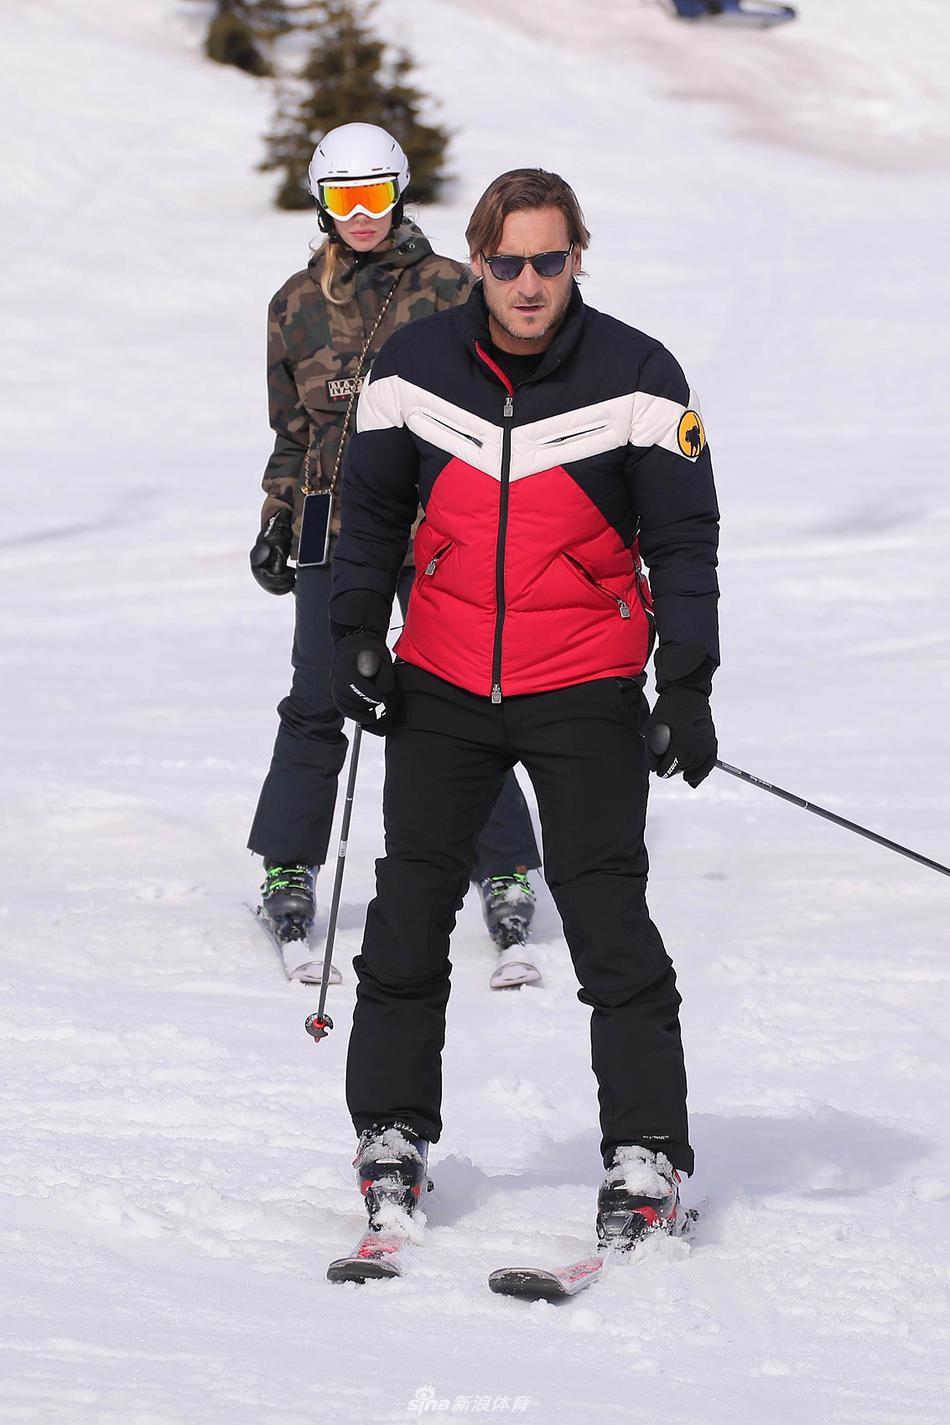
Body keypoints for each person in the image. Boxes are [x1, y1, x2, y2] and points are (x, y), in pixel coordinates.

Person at [328, 168, 720, 1249]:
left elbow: (683, 540)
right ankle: (390, 1138)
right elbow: (370, 509)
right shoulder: (412, 367)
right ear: (478, 262)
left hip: (583, 685)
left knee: (608, 923)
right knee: (408, 919)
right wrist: (356, 631)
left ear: (577, 256)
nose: (529, 283)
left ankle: (645, 1154)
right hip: (442, 683)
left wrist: (686, 684)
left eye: (550, 260)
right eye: (508, 263)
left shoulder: (638, 375)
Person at [247, 124, 541, 974]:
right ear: (322, 203)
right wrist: (276, 516)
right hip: (334, 527)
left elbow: (502, 403)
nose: (362, 214)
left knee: (462, 692)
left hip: (438, 528)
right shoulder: (294, 305)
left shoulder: (451, 287)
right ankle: (288, 861)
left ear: (401, 192)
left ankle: (504, 864)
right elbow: (293, 432)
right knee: (317, 694)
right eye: (344, 198)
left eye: (375, 194)